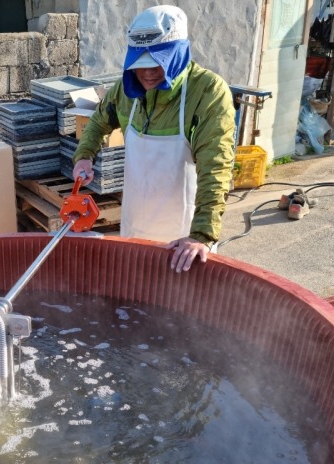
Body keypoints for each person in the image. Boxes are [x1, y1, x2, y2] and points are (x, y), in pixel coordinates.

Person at [73, 5, 235, 273]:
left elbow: (216, 168)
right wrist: (84, 156)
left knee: (180, 306)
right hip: (135, 226)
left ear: (179, 53)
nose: (147, 72)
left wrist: (202, 235)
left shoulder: (207, 92)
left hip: (184, 238)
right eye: (140, 64)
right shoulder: (126, 92)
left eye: (156, 63)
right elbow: (100, 120)